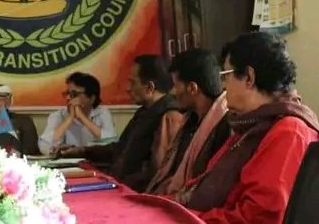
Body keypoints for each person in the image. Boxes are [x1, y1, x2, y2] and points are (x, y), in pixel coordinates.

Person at [180, 32, 319, 223]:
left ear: (249, 77)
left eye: (226, 76)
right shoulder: (251, 126)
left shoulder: (289, 131)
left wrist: (187, 220)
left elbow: (258, 218)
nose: (223, 86)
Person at [58, 56, 183, 191]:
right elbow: (120, 149)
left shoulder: (170, 117)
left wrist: (115, 184)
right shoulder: (144, 112)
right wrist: (81, 151)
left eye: (132, 82)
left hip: (132, 193)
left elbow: (158, 175)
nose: (127, 88)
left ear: (149, 87)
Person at [146, 48, 231, 197]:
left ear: (192, 88)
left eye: (175, 85)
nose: (172, 92)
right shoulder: (189, 121)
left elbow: (210, 187)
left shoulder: (226, 126)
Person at [39, 72, 116, 155]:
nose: (68, 98)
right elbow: (44, 145)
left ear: (92, 98)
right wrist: (70, 118)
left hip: (95, 161)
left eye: (74, 94)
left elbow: (112, 144)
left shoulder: (102, 113)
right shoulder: (58, 115)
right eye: (67, 93)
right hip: (67, 162)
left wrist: (82, 118)